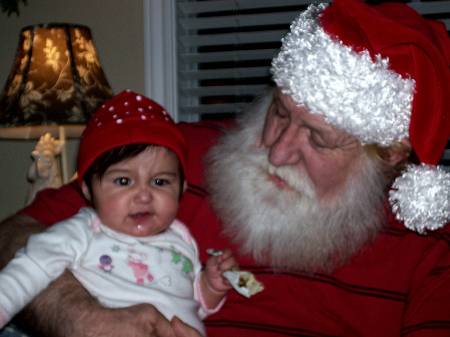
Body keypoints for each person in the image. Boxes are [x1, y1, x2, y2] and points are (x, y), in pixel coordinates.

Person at [1, 0, 450, 336]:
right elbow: (14, 235)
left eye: (318, 139)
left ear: (390, 154)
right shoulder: (173, 162)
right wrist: (85, 319)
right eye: (279, 111)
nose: (276, 151)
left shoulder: (430, 250)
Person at [0, 90, 238, 337]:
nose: (144, 196)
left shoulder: (181, 240)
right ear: (88, 190)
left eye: (160, 182)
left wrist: (210, 287)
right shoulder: (82, 232)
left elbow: (190, 302)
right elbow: (30, 269)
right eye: (124, 181)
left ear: (182, 189)